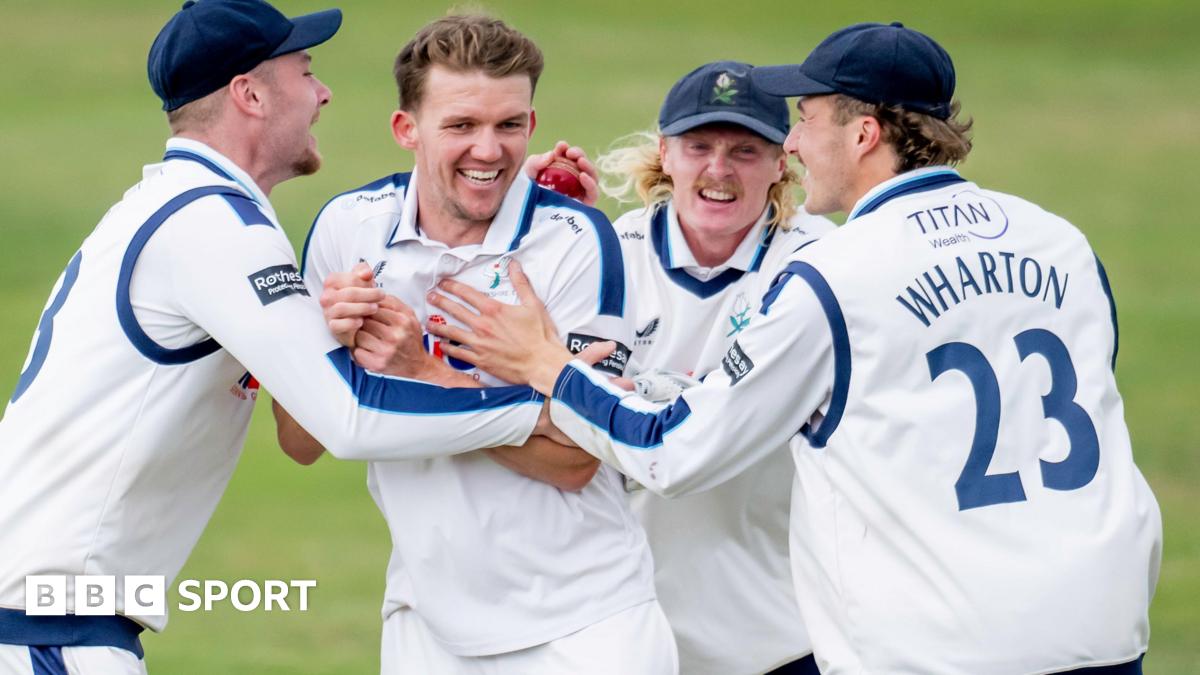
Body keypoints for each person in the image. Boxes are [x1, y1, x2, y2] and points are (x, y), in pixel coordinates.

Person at [423, 22, 1162, 675]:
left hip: (942, 648)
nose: (799, 142)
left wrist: (546, 364)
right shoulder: (1061, 240)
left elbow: (675, 450)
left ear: (863, 135)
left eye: (804, 120)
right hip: (1101, 627)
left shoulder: (833, 273)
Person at [0, 1, 552, 672]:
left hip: (56, 620)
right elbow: (349, 418)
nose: (323, 93)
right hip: (48, 632)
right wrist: (551, 406)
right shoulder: (215, 226)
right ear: (250, 95)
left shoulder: (176, 205)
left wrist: (513, 196)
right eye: (306, 71)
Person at [277, 15, 676, 675]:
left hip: (586, 624)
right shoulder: (348, 228)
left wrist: (421, 371)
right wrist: (331, 344)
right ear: (407, 128)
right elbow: (300, 442)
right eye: (461, 125)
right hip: (424, 620)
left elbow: (576, 460)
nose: (488, 151)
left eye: (509, 125)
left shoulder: (574, 241)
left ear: (532, 123)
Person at [592, 61, 831, 674]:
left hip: (786, 632)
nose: (719, 170)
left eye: (745, 151)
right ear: (666, 153)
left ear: (781, 163)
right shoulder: (609, 253)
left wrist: (636, 392)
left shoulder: (821, 265)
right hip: (631, 628)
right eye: (699, 146)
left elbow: (715, 417)